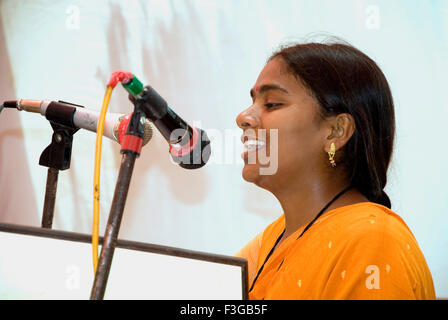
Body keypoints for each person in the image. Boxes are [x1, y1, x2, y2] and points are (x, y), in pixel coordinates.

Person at [235, 41, 435, 300]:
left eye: (272, 103)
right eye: (253, 102)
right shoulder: (270, 241)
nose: (243, 117)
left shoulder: (373, 241)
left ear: (336, 131)